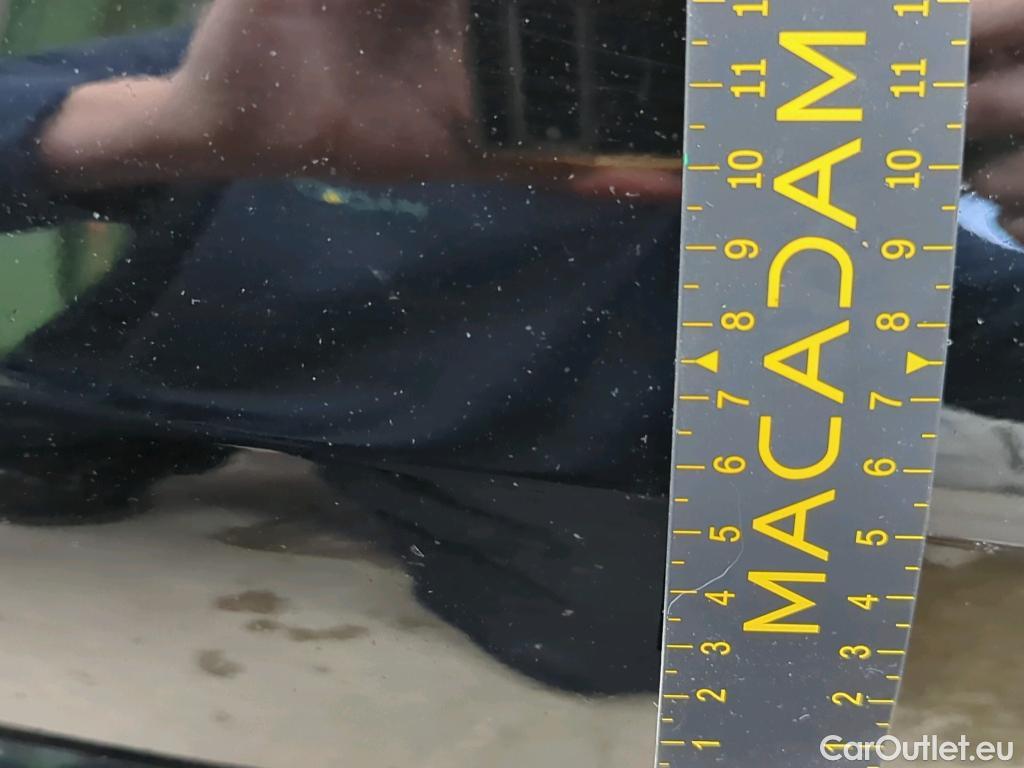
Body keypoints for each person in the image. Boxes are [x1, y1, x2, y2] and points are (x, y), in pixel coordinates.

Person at [0, 0, 1019, 693]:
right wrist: (169, 123)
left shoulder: (808, 194)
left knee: (654, 629)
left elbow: (987, 336)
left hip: (515, 460)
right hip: (157, 382)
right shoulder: (298, 48)